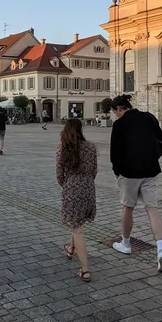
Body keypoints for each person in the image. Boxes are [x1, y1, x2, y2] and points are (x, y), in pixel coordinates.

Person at [109, 94, 162, 273]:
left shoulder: (119, 125)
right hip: (151, 170)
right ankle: (161, 251)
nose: (116, 116)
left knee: (128, 207)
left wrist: (117, 173)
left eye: (116, 113)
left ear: (119, 109)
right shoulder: (149, 117)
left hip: (129, 172)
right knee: (152, 209)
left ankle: (126, 243)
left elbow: (115, 154)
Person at [57, 119, 97, 282]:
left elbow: (59, 176)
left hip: (72, 189)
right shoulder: (90, 147)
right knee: (78, 224)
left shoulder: (63, 149)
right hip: (88, 189)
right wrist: (85, 181)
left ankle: (85, 269)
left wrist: (69, 184)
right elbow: (94, 171)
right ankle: (70, 248)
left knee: (77, 228)